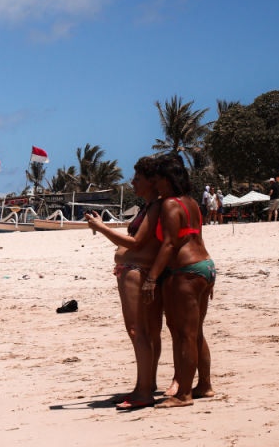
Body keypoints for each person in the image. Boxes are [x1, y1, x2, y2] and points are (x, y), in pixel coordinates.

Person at [86, 156, 165, 410]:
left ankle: (143, 391)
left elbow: (136, 244)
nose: (132, 183)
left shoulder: (154, 207)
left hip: (136, 271)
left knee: (137, 331)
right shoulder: (149, 207)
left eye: (137, 179)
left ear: (152, 182)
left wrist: (101, 228)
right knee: (148, 331)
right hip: (135, 269)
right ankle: (145, 385)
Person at [144, 154, 216, 408]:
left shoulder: (169, 205)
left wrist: (151, 278)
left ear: (166, 179)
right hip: (206, 266)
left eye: (156, 179)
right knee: (196, 332)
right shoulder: (192, 203)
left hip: (185, 271)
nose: (154, 184)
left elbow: (170, 243)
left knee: (183, 334)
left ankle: (184, 394)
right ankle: (204, 385)